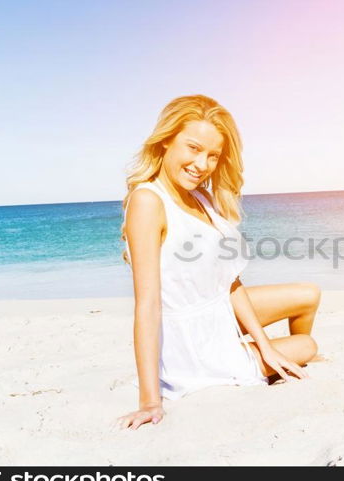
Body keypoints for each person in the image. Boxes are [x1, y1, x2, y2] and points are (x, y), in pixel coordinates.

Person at [116, 95, 320, 431]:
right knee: (307, 346)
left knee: (308, 294)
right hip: (192, 341)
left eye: (213, 155)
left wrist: (267, 348)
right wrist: (150, 400)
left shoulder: (202, 196)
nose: (202, 164)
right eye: (193, 148)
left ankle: (271, 361)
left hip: (216, 311)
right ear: (166, 140)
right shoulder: (148, 201)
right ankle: (268, 361)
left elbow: (230, 281)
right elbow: (148, 304)